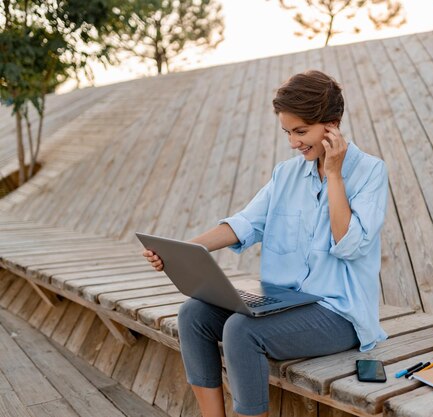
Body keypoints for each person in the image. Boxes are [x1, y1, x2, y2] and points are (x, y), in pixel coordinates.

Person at [143, 70, 389, 417]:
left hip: (339, 314)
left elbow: (348, 245)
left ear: (331, 126)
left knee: (242, 331)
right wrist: (183, 250)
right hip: (284, 302)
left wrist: (334, 174)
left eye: (301, 132)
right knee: (193, 313)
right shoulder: (285, 174)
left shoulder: (370, 173)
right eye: (287, 132)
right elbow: (245, 223)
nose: (293, 142)